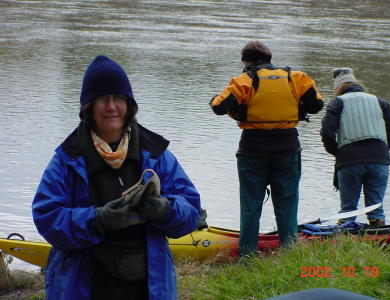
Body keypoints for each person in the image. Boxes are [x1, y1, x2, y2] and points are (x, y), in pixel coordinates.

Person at [32, 55, 201, 300]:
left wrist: (164, 209)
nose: (111, 106)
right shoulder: (67, 158)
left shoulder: (156, 153)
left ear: (129, 105)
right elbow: (47, 217)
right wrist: (97, 220)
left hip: (148, 286)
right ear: (88, 107)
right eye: (102, 98)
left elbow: (191, 209)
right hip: (85, 284)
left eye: (118, 98)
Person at [209, 41, 323, 256]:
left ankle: (248, 257)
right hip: (287, 148)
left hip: (253, 149)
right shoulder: (296, 78)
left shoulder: (244, 80)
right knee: (287, 205)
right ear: (269, 59)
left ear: (246, 61)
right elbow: (316, 106)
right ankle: (289, 255)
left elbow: (218, 107)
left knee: (250, 206)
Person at [320, 67, 390, 227]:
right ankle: (379, 238)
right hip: (379, 160)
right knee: (376, 208)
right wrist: (383, 148)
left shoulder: (338, 102)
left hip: (350, 160)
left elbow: (327, 132)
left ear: (338, 88)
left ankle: (346, 239)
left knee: (348, 209)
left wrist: (337, 152)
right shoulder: (380, 102)